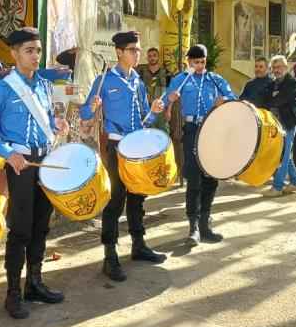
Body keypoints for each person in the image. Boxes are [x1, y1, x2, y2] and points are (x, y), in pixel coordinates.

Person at [0, 27, 69, 319]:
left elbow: (47, 122)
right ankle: (13, 292)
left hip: (45, 161)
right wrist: (7, 154)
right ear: (14, 54)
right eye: (29, 50)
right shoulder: (3, 89)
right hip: (21, 165)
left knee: (42, 224)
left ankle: (35, 283)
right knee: (21, 229)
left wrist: (57, 128)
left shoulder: (42, 85)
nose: (35, 56)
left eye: (38, 50)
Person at [80, 31, 166, 282]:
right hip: (116, 147)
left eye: (138, 50)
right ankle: (110, 255)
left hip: (136, 146)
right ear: (119, 52)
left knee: (138, 197)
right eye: (132, 50)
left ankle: (138, 245)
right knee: (115, 200)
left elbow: (142, 119)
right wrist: (93, 106)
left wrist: (153, 111)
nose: (137, 54)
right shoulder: (104, 80)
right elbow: (85, 112)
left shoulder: (138, 81)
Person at [165, 44, 236, 245]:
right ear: (188, 61)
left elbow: (232, 98)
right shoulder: (181, 79)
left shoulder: (215, 79)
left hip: (213, 129)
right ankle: (193, 227)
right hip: (192, 130)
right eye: (195, 62)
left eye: (202, 62)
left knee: (211, 176)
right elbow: (166, 99)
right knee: (194, 178)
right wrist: (169, 103)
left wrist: (222, 101)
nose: (199, 66)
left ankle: (205, 224)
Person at [264, 56, 296, 197]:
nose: (276, 70)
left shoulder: (292, 82)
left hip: (288, 122)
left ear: (286, 68)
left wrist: (273, 98)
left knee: (284, 155)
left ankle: (278, 186)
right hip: (275, 123)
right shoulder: (273, 83)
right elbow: (268, 100)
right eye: (274, 68)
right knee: (286, 153)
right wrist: (273, 98)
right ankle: (295, 182)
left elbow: (281, 99)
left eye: (279, 67)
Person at [137, 47, 171, 133]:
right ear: (147, 58)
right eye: (150, 56)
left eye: (154, 56)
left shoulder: (166, 73)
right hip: (147, 110)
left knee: (163, 136)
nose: (152, 58)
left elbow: (170, 94)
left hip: (161, 110)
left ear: (158, 57)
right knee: (147, 136)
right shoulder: (141, 73)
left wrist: (169, 110)